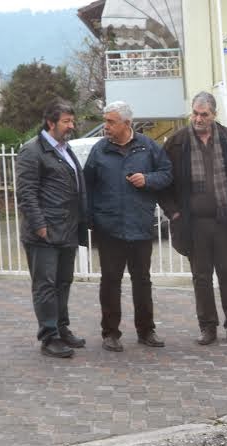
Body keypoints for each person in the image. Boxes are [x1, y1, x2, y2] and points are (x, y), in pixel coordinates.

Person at [160, 92, 227, 345]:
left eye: (204, 114)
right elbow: (163, 182)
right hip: (194, 224)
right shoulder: (177, 142)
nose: (198, 118)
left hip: (226, 221)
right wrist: (173, 212)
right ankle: (208, 326)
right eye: (195, 113)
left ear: (214, 115)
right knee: (201, 277)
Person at [83, 101, 172, 352]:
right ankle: (110, 333)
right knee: (110, 281)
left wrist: (148, 179)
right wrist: (91, 219)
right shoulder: (99, 150)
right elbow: (86, 186)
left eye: (111, 122)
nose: (106, 127)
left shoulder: (148, 147)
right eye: (105, 121)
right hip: (109, 228)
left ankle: (146, 331)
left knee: (142, 281)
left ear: (127, 124)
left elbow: (167, 173)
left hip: (140, 226)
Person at [16, 99, 88, 358]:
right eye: (66, 121)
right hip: (44, 233)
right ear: (51, 122)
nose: (72, 126)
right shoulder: (32, 151)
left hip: (67, 229)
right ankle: (49, 337)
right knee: (45, 285)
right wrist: (40, 227)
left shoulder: (64, 149)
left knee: (63, 283)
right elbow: (26, 194)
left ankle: (61, 328)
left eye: (72, 120)